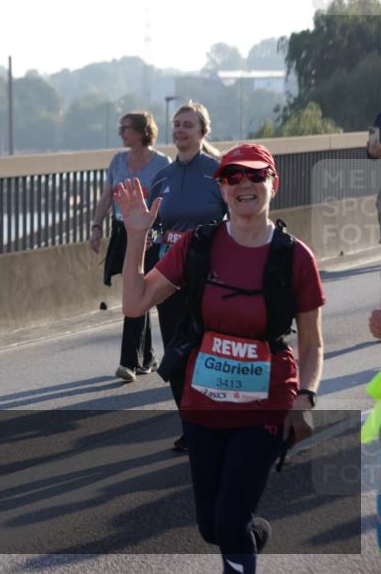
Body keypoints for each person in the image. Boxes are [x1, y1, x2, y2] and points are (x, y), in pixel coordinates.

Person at [117, 142, 325, 574]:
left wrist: (306, 396)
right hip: (203, 403)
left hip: (266, 402)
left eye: (255, 175)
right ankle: (250, 536)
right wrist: (137, 235)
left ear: (274, 184)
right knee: (213, 526)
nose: (244, 184)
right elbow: (135, 304)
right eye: (233, 176)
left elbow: (311, 342)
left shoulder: (294, 256)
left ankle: (241, 540)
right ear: (222, 188)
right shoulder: (200, 245)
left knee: (229, 519)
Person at [147, 101, 227, 450]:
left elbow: (241, 217)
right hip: (172, 276)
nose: (180, 130)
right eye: (176, 124)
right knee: (176, 355)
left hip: (212, 275)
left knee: (207, 352)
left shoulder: (220, 171)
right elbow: (151, 227)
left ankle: (217, 422)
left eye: (188, 125)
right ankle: (191, 425)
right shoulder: (162, 176)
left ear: (202, 132)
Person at [90, 111, 171, 381]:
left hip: (151, 234)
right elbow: (106, 197)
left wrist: (157, 232)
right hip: (123, 231)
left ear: (141, 131)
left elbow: (167, 204)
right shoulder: (117, 161)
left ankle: (129, 361)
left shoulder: (162, 163)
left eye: (126, 128)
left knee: (139, 290)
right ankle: (147, 357)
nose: (121, 133)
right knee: (135, 291)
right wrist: (96, 226)